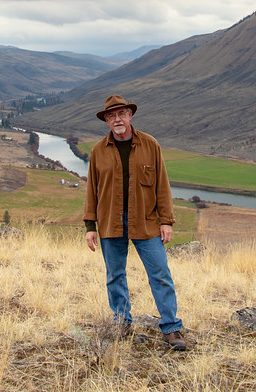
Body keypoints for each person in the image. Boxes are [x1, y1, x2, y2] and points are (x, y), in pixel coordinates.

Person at [84, 94, 186, 351]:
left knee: (160, 274)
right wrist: (90, 226)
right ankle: (122, 323)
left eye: (121, 114)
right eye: (111, 116)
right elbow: (92, 190)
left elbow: (162, 184)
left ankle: (172, 327)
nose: (117, 119)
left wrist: (166, 221)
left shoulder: (150, 145)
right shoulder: (98, 151)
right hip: (110, 222)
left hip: (147, 221)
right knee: (114, 275)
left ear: (130, 116)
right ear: (106, 120)